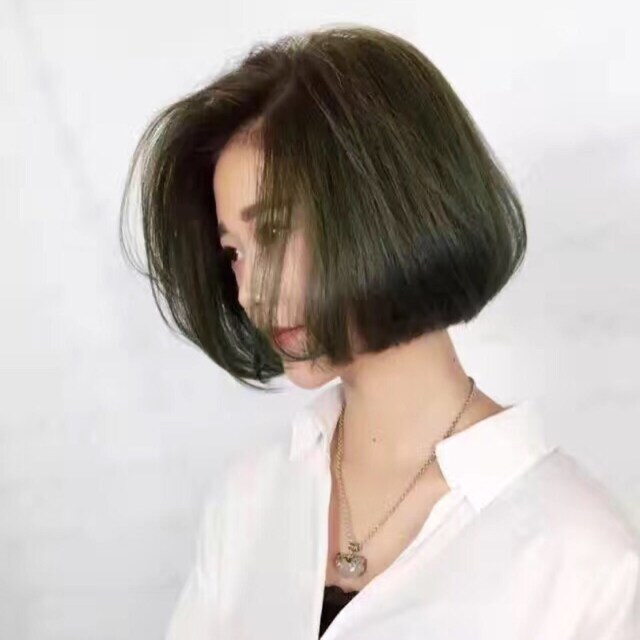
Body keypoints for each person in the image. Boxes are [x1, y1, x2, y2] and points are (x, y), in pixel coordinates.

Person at [119, 24, 640, 639]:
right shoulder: (249, 501)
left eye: (276, 231)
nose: (249, 291)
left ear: (387, 206)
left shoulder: (581, 560)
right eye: (233, 252)